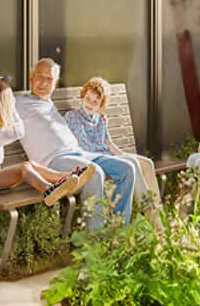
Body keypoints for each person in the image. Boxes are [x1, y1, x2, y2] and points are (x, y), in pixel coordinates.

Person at [17, 58, 133, 224]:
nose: (43, 82)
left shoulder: (49, 104)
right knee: (95, 173)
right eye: (39, 77)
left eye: (49, 79)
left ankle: (119, 229)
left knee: (127, 169)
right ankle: (95, 242)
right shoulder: (19, 103)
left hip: (79, 153)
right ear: (31, 78)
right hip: (53, 161)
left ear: (55, 83)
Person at [0, 74, 90, 206]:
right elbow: (19, 131)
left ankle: (67, 177)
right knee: (24, 168)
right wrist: (13, 107)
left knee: (31, 165)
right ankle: (48, 190)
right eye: (8, 101)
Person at [69, 76, 163, 220]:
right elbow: (85, 147)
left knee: (147, 163)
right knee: (132, 165)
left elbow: (108, 143)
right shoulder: (73, 117)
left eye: (95, 102)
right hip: (95, 160)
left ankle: (158, 212)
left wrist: (123, 155)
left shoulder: (100, 119)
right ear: (83, 96)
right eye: (88, 98)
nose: (90, 104)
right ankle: (151, 215)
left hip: (109, 156)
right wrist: (122, 159)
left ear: (100, 105)